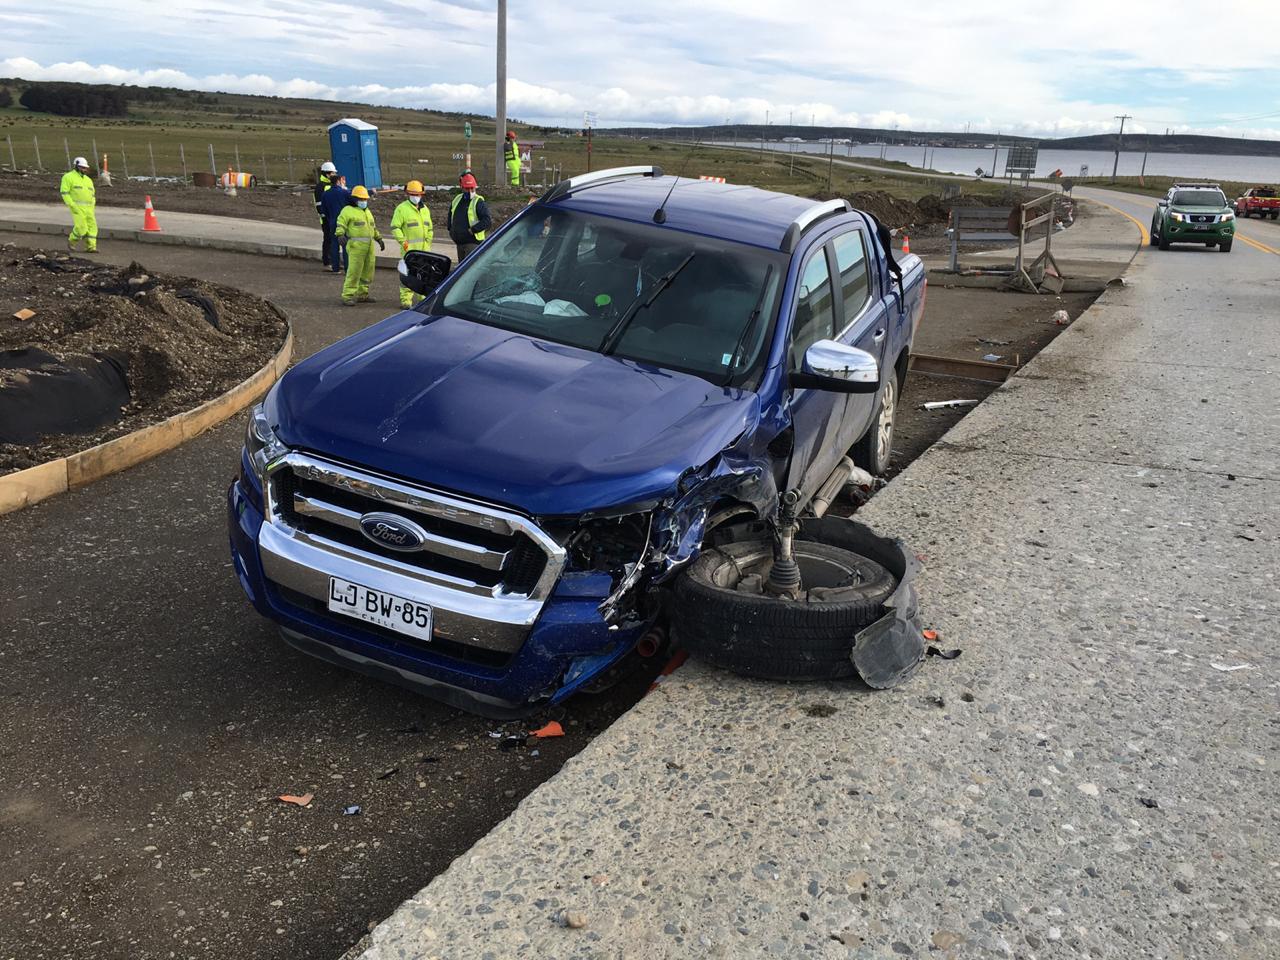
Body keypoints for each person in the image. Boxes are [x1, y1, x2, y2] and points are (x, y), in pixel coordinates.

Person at [334, 185, 385, 305]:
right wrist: (340, 234)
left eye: (365, 199)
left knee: (367, 271)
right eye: (361, 199)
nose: (364, 201)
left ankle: (363, 294)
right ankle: (348, 296)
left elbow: (373, 227)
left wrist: (379, 238)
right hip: (356, 246)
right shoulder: (347, 210)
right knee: (354, 271)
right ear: (355, 199)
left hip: (369, 247)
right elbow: (341, 224)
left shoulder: (367, 212)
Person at [390, 180, 434, 308]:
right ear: (408, 194)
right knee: (407, 275)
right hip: (409, 250)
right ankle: (406, 301)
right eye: (414, 194)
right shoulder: (402, 209)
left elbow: (430, 228)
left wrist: (428, 241)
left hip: (424, 250)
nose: (416, 197)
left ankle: (423, 299)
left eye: (419, 194)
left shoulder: (425, 209)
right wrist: (403, 242)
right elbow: (395, 227)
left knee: (424, 275)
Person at [447, 173, 491, 262]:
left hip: (472, 242)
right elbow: (450, 215)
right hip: (459, 242)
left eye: (472, 188)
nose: (470, 191)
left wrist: (472, 230)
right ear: (462, 188)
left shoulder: (478, 201)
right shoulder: (457, 199)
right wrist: (451, 230)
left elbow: (487, 221)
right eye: (467, 188)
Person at [60, 156, 97, 253]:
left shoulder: (88, 180)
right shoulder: (68, 177)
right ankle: (72, 241)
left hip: (89, 208)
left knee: (92, 228)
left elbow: (92, 195)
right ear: (76, 166)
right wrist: (72, 205)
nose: (84, 169)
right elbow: (65, 193)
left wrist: (92, 205)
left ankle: (91, 247)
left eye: (85, 168)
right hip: (77, 208)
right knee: (81, 228)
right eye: (82, 167)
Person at [319, 174, 351, 275]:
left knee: (334, 245)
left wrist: (330, 218)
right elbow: (354, 199)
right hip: (344, 222)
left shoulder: (325, 194)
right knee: (345, 246)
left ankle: (335, 268)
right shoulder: (343, 192)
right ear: (338, 181)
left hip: (332, 222)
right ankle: (347, 268)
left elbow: (323, 209)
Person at [314, 161, 338, 270]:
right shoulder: (320, 187)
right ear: (326, 174)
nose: (334, 175)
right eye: (332, 173)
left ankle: (334, 260)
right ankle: (327, 262)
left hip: (334, 217)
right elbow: (319, 204)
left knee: (334, 239)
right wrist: (325, 215)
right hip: (326, 218)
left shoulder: (331, 185)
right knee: (328, 239)